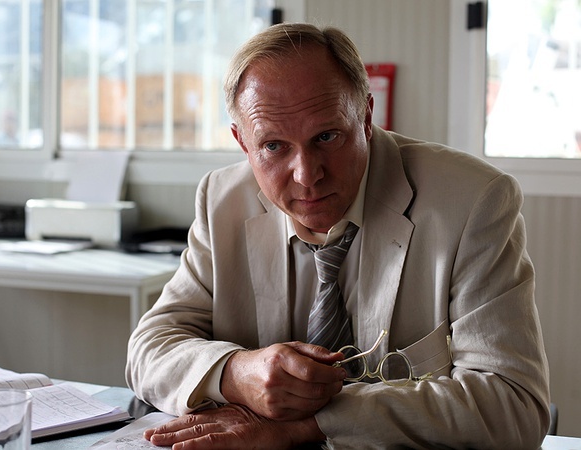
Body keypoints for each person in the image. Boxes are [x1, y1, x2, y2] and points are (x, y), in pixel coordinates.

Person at [126, 23, 550, 449]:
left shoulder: (472, 201)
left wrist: (310, 424)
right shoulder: (221, 200)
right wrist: (236, 372)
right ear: (243, 143)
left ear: (366, 118)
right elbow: (149, 350)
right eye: (273, 146)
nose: (307, 175)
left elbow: (513, 405)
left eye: (326, 137)